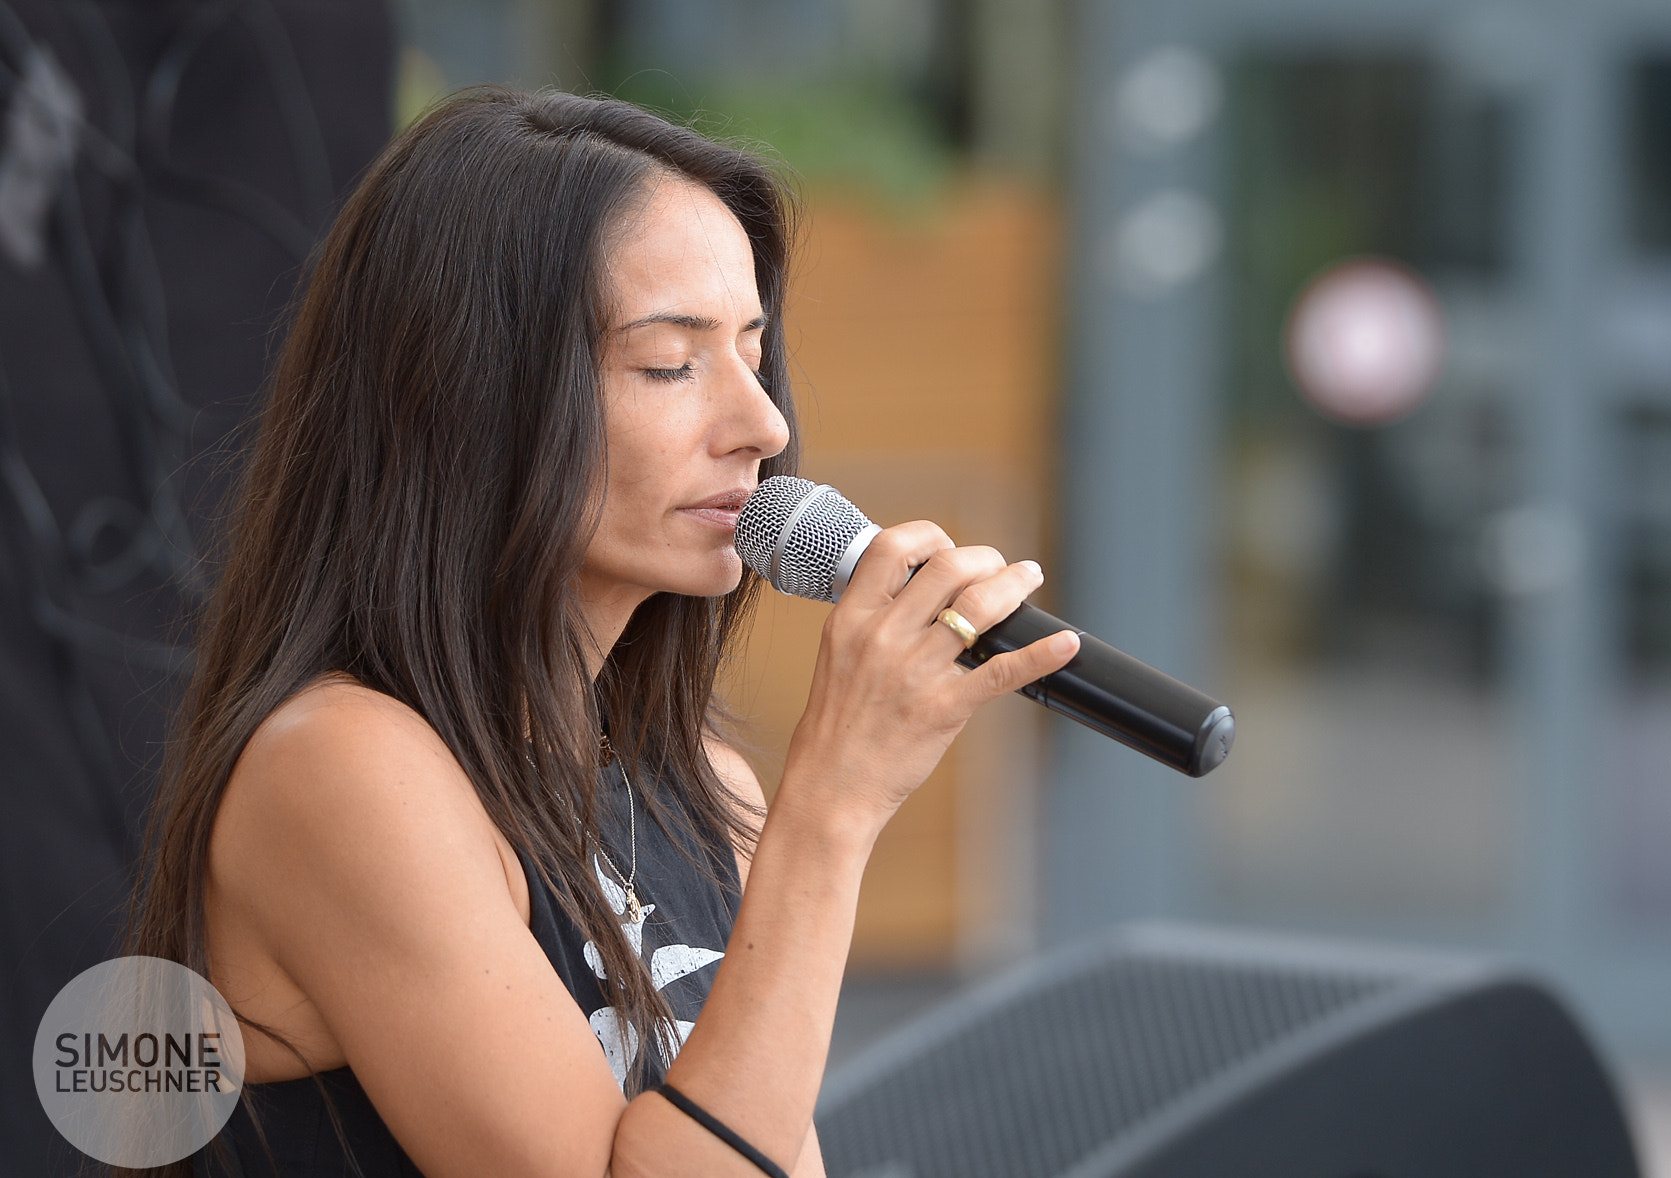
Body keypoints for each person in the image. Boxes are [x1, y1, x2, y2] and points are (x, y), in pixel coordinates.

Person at [123, 87, 1078, 1178]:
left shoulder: (702, 784)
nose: (762, 423)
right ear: (467, 396)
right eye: (671, 362)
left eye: (753, 351)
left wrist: (809, 818)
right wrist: (838, 805)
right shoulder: (343, 767)